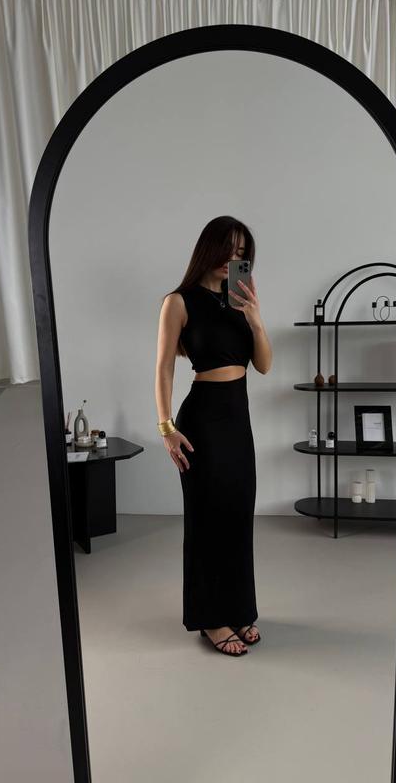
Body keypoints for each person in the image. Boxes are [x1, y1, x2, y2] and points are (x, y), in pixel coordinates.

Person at [155, 216, 272, 656]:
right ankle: (211, 618)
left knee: (238, 515)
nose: (233, 258)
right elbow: (164, 367)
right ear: (209, 247)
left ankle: (239, 609)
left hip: (238, 421)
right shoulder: (178, 302)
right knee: (207, 519)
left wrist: (256, 319)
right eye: (227, 249)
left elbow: (264, 365)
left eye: (242, 253)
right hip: (201, 421)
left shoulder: (240, 300)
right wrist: (166, 427)